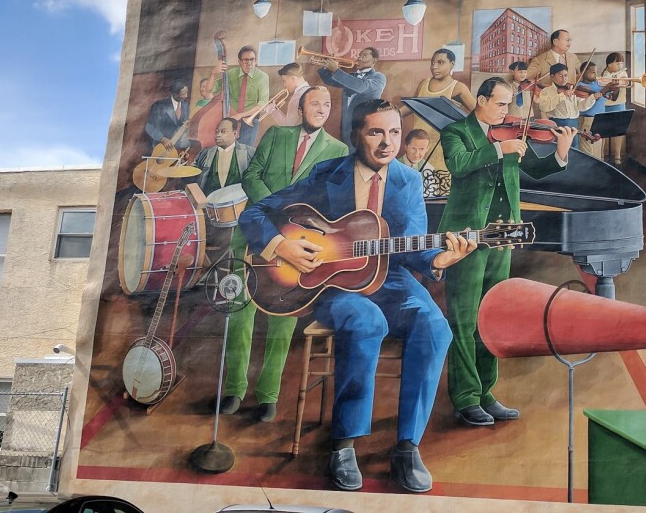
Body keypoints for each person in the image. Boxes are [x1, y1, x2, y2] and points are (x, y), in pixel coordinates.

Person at [238, 99, 476, 493]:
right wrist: (283, 246)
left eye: (395, 133)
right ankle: (344, 446)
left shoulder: (408, 180)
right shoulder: (327, 173)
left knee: (436, 328)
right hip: (334, 284)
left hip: (392, 278)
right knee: (367, 321)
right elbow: (254, 213)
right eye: (376, 132)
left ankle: (407, 447)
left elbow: (412, 245)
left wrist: (439, 259)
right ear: (355, 136)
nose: (387, 143)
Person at [438, 77, 577, 427]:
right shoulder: (456, 132)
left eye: (509, 104)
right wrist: (500, 149)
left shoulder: (510, 134)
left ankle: (486, 392)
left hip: (503, 237)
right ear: (481, 101)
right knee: (464, 319)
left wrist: (560, 154)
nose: (506, 111)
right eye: (500, 104)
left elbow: (535, 169)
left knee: (491, 316)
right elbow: (459, 164)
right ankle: (466, 397)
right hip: (466, 238)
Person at [220, 87, 348, 423]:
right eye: (315, 103)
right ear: (301, 108)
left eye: (327, 105)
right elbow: (251, 176)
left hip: (297, 240)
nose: (321, 109)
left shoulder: (338, 150)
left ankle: (268, 395)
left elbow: (328, 200)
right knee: (240, 310)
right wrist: (274, 211)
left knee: (284, 314)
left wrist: (290, 223)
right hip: (252, 235)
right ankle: (234, 389)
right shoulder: (276, 134)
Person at [403, 48, 476, 174]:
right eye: (432, 63)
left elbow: (479, 114)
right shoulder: (424, 83)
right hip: (419, 147)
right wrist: (392, 115)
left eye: (440, 62)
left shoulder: (458, 88)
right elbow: (413, 106)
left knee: (438, 180)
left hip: (441, 148)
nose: (434, 67)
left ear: (452, 64)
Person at [318, 47, 386, 152]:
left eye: (364, 55)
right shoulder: (351, 77)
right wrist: (325, 66)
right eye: (359, 55)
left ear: (374, 60)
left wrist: (336, 70)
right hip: (346, 126)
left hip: (364, 126)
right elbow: (329, 81)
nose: (360, 58)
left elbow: (361, 87)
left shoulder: (379, 77)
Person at [211, 45, 270, 146]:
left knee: (245, 149)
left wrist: (240, 115)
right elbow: (212, 89)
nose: (249, 63)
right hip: (231, 116)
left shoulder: (262, 77)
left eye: (252, 59)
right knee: (228, 148)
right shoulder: (230, 74)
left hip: (251, 117)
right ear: (239, 61)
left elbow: (262, 103)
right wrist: (213, 73)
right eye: (245, 60)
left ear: (255, 60)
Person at [536, 63, 598, 148]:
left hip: (574, 124)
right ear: (552, 77)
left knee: (574, 148)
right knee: (560, 148)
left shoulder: (571, 89)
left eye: (565, 75)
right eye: (560, 76)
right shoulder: (546, 91)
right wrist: (562, 95)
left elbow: (581, 106)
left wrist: (593, 98)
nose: (564, 78)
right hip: (558, 124)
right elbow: (544, 107)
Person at [193, 118, 254, 196]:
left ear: (235, 133)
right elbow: (192, 174)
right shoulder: (205, 152)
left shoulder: (249, 152)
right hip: (208, 201)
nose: (218, 135)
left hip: (239, 201)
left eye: (223, 131)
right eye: (217, 131)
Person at [144, 79, 191, 151]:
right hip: (162, 148)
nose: (186, 96)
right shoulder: (159, 106)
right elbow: (150, 127)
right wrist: (163, 139)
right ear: (174, 94)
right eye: (183, 94)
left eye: (187, 92)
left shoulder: (186, 105)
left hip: (180, 148)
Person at [577, 62, 609, 160]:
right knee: (587, 148)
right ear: (583, 73)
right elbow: (596, 96)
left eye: (596, 72)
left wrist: (615, 87)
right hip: (588, 119)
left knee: (597, 149)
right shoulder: (580, 86)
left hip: (600, 118)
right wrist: (606, 88)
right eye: (592, 72)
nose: (595, 75)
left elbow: (613, 97)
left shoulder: (598, 84)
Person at [601, 52, 628, 165]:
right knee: (603, 131)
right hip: (605, 105)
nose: (620, 65)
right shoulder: (604, 74)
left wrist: (618, 80)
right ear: (609, 64)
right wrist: (610, 80)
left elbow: (625, 82)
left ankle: (617, 155)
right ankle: (601, 155)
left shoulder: (623, 73)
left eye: (621, 63)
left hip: (619, 104)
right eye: (617, 63)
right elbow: (602, 85)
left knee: (619, 130)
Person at [266, 63, 310, 127]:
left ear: (293, 78)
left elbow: (287, 125)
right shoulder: (310, 90)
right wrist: (276, 109)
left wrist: (272, 110)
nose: (284, 85)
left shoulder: (297, 97)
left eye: (284, 81)